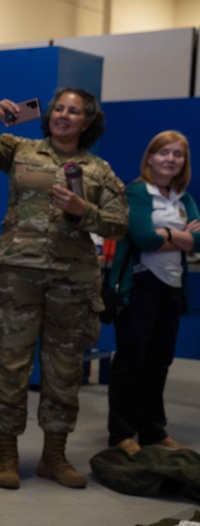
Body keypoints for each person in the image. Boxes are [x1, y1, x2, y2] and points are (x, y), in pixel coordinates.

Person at [0, 87, 127, 490]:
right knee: (10, 366)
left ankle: (54, 455)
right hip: (16, 275)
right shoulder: (19, 148)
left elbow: (119, 224)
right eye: (59, 109)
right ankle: (7, 453)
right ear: (49, 114)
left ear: (87, 122)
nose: (63, 116)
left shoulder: (98, 169)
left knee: (64, 369)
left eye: (74, 111)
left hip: (73, 280)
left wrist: (82, 210)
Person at [107, 131, 200, 456]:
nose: (171, 159)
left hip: (172, 289)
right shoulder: (138, 191)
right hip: (141, 286)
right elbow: (144, 238)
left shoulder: (183, 198)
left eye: (178, 155)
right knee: (132, 361)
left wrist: (167, 234)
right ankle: (122, 434)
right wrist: (182, 236)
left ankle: (152, 431)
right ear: (150, 157)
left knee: (160, 361)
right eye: (164, 153)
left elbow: (199, 241)